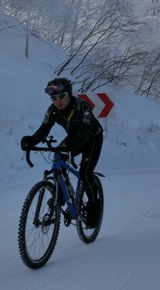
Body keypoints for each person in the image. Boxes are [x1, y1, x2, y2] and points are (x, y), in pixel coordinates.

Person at [21, 77, 103, 227]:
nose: (57, 101)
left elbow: (84, 131)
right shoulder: (52, 110)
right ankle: (61, 193)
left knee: (85, 174)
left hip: (92, 138)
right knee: (58, 155)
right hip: (73, 138)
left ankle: (94, 206)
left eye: (61, 96)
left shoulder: (81, 106)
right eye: (53, 98)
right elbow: (44, 129)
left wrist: (74, 141)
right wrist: (31, 141)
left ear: (69, 94)